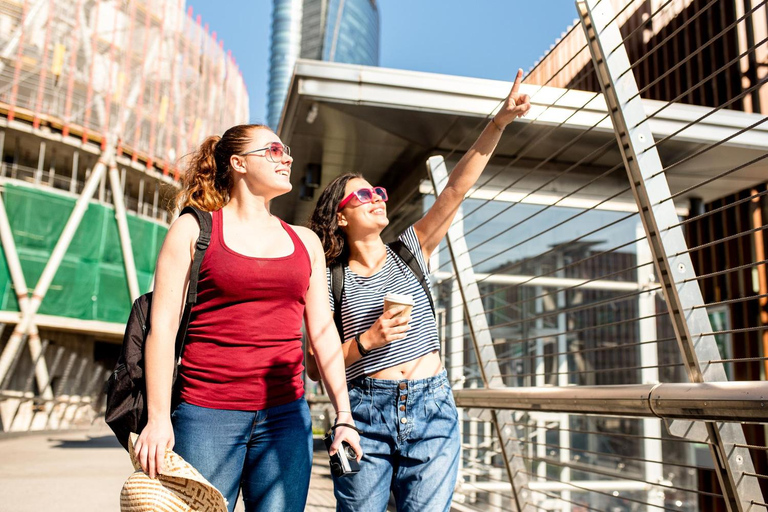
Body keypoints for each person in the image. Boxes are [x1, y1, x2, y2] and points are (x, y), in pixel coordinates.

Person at [305, 69, 531, 512]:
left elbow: (456, 188)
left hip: (432, 405)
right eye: (363, 195)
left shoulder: (411, 249)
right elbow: (315, 367)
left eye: (379, 191)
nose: (378, 197)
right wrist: (369, 340)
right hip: (364, 413)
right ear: (342, 217)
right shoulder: (330, 277)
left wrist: (499, 122)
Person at [132, 124, 361, 512]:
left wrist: (344, 415)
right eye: (273, 150)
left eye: (286, 150)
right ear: (238, 163)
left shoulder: (305, 242)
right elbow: (163, 328)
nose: (286, 157)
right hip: (205, 414)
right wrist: (157, 418)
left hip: (286, 418)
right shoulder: (194, 229)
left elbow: (322, 333)